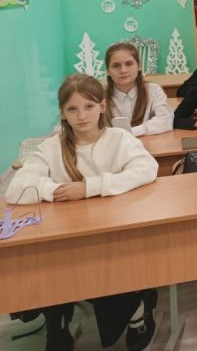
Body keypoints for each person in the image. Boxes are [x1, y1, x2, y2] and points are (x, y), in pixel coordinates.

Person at [5, 74, 159, 351]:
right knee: (45, 264)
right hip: (68, 238)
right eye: (72, 109)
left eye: (88, 106)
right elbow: (16, 189)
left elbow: (147, 169)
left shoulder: (119, 139)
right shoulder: (52, 147)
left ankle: (138, 310)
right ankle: (58, 324)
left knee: (112, 270)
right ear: (63, 113)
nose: (81, 115)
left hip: (113, 234)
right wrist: (56, 190)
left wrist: (89, 187)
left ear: (102, 106)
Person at [104, 42, 173, 136]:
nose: (123, 70)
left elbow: (166, 120)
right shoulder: (100, 97)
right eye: (116, 66)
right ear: (108, 71)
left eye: (129, 64)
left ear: (139, 66)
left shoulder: (153, 90)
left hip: (149, 144)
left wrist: (132, 132)